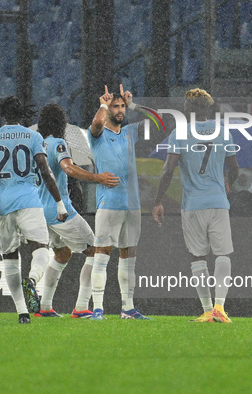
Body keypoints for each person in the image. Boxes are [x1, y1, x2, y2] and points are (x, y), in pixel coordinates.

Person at [0, 96, 68, 324]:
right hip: (28, 201)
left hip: (1, 205)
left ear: (3, 114)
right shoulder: (33, 137)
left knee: (10, 258)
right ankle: (32, 280)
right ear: (22, 114)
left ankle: (22, 312)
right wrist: (59, 203)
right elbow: (45, 171)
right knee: (42, 248)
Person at [152, 88, 239, 323]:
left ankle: (207, 310)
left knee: (197, 257)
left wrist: (158, 201)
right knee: (222, 253)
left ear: (188, 108)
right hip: (218, 202)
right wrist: (228, 181)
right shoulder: (222, 131)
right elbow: (234, 167)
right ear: (208, 107)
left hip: (193, 204)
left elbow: (168, 170)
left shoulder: (180, 133)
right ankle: (220, 308)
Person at [34, 103, 120, 318]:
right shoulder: (58, 143)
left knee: (62, 253)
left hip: (38, 211)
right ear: (60, 123)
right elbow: (68, 168)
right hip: (59, 210)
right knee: (96, 250)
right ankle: (81, 306)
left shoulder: (36, 144)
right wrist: (97, 177)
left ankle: (45, 307)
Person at [87, 84, 151, 320]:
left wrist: (135, 105)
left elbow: (162, 122)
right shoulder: (98, 134)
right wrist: (103, 105)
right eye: (116, 106)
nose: (120, 110)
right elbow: (96, 124)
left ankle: (128, 308)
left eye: (122, 106)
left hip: (132, 204)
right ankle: (97, 308)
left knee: (128, 255)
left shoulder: (130, 132)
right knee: (102, 254)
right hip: (109, 202)